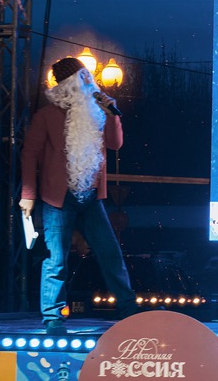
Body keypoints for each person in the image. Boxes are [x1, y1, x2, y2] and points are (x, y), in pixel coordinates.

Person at [19, 57, 139, 335]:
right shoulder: (46, 116)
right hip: (58, 198)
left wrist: (112, 114)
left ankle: (129, 309)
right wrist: (28, 194)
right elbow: (30, 154)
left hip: (91, 196)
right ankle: (52, 316)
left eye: (88, 77)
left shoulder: (97, 111)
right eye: (82, 78)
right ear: (68, 85)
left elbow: (115, 144)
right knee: (56, 259)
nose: (89, 83)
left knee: (110, 253)